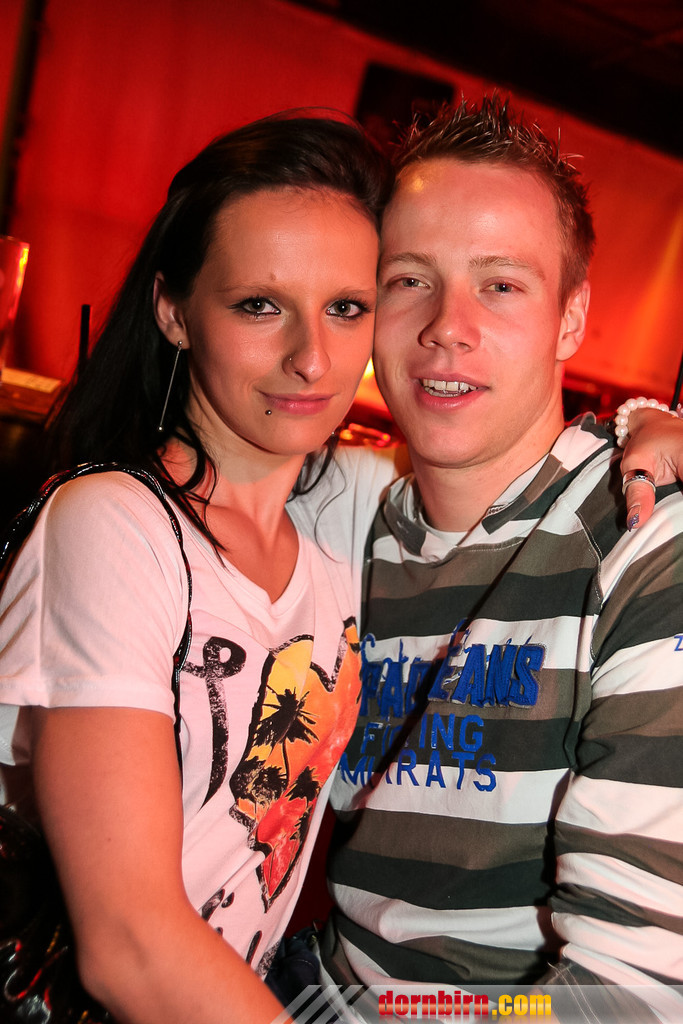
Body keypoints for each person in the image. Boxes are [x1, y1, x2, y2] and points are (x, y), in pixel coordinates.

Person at [0, 113, 395, 1024]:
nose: (311, 357)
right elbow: (129, 944)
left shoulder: (342, 516)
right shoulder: (113, 525)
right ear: (174, 311)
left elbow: (509, 461)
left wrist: (643, 427)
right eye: (259, 304)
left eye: (346, 307)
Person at [319, 97, 683, 1022]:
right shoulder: (344, 513)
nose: (447, 326)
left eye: (501, 285)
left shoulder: (644, 538)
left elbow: (628, 998)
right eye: (409, 278)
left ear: (570, 319)